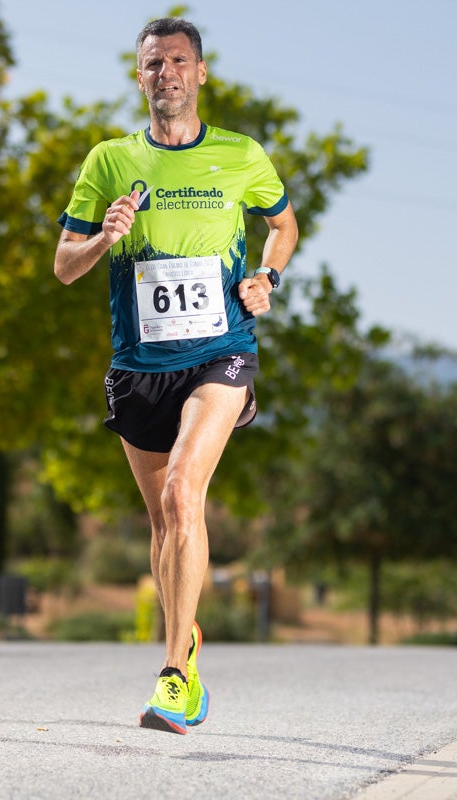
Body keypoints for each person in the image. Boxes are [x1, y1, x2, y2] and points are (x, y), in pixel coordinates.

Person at [54, 17, 298, 735]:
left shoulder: (240, 154)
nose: (167, 73)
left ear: (201, 72)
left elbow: (284, 225)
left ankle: (174, 673)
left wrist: (268, 278)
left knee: (186, 490)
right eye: (153, 62)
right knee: (162, 516)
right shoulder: (108, 162)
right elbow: (65, 267)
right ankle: (185, 637)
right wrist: (106, 235)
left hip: (221, 349)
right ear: (139, 77)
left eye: (179, 61)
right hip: (138, 365)